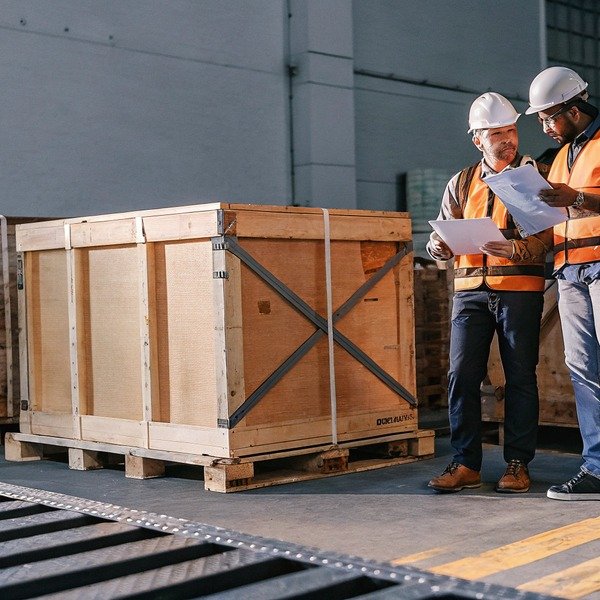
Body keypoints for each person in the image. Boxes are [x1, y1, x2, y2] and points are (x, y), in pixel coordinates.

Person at [427, 92, 552, 494]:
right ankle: (466, 464)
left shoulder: (532, 176)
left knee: (519, 377)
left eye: (512, 130)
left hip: (518, 290)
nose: (508, 139)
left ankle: (517, 464)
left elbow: (548, 235)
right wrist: (438, 247)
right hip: (468, 292)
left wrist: (515, 248)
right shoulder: (461, 182)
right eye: (497, 133)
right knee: (460, 375)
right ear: (477, 139)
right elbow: (443, 232)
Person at [526, 66, 600, 501]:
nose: (543, 126)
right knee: (584, 370)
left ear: (573, 110)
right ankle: (596, 468)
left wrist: (576, 198)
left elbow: (582, 201)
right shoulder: (559, 155)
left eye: (548, 117)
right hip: (570, 272)